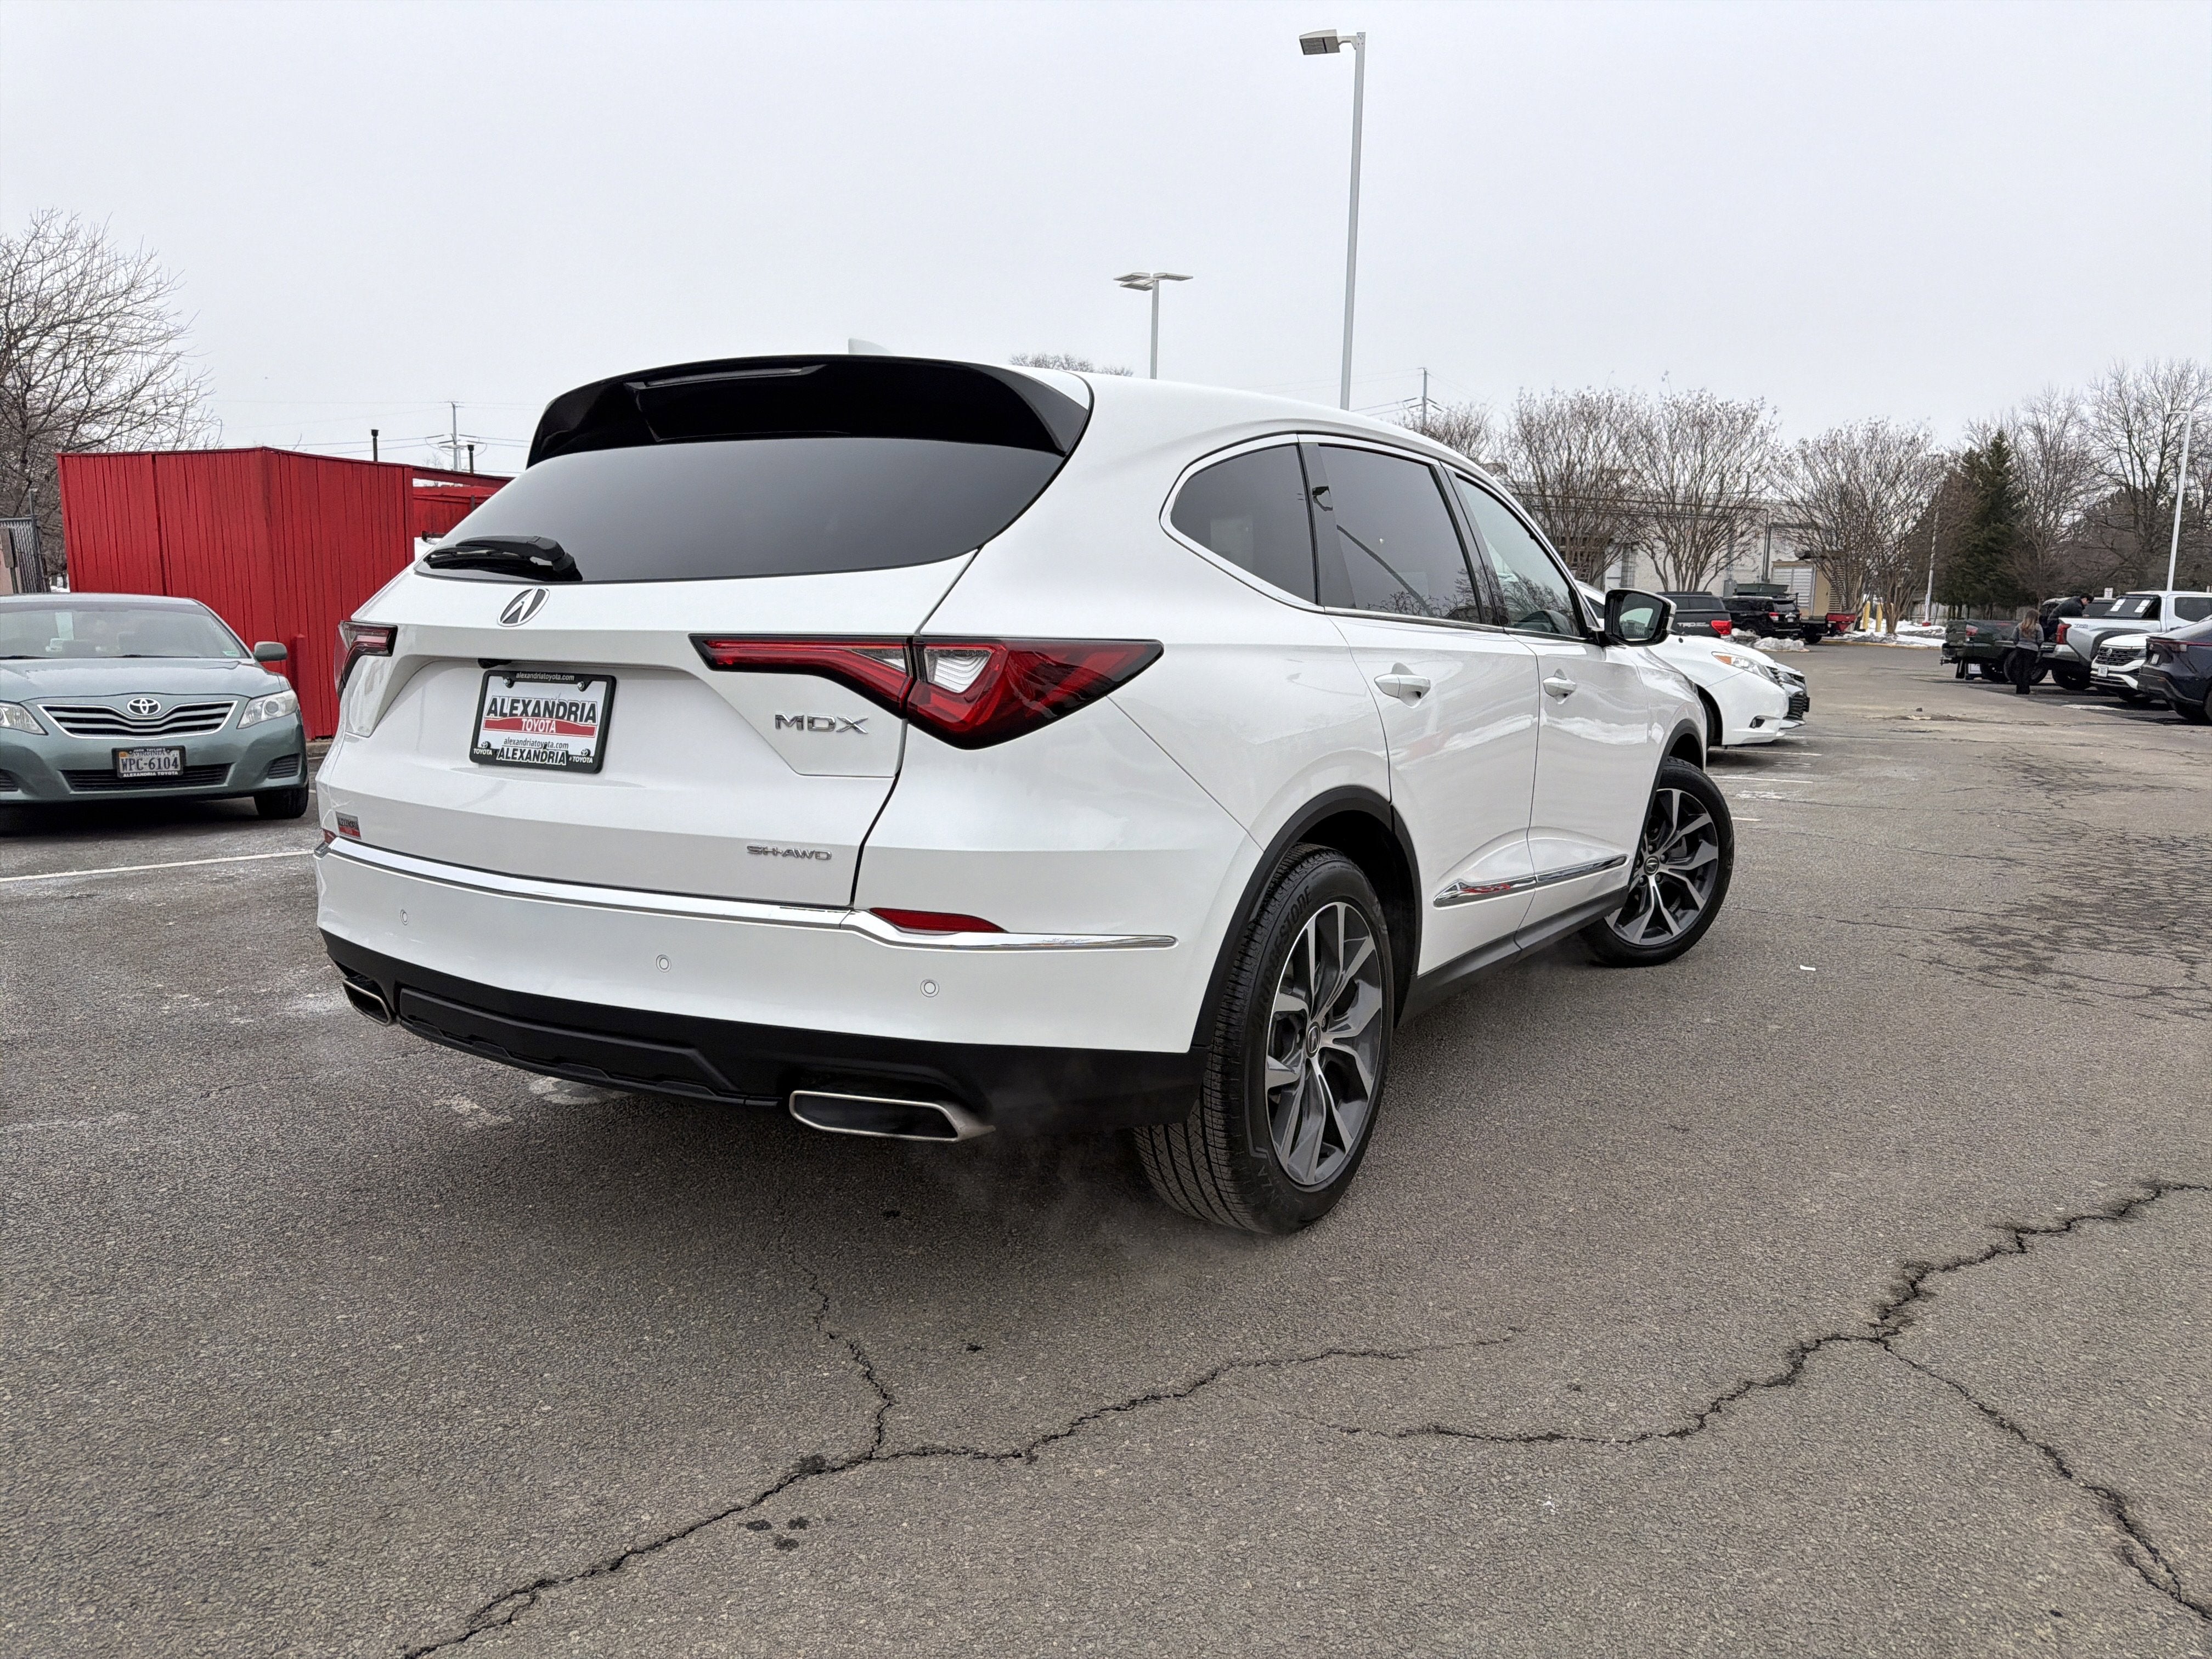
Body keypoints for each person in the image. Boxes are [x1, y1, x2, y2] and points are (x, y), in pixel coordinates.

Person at [2007, 613, 2044, 694]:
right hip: (2032, 650)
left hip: (2020, 649)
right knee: (2028, 670)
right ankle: (2026, 689)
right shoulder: (2038, 627)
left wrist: (2018, 643)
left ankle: (2019, 689)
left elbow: (2014, 637)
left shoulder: (2020, 626)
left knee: (2019, 669)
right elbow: (2041, 640)